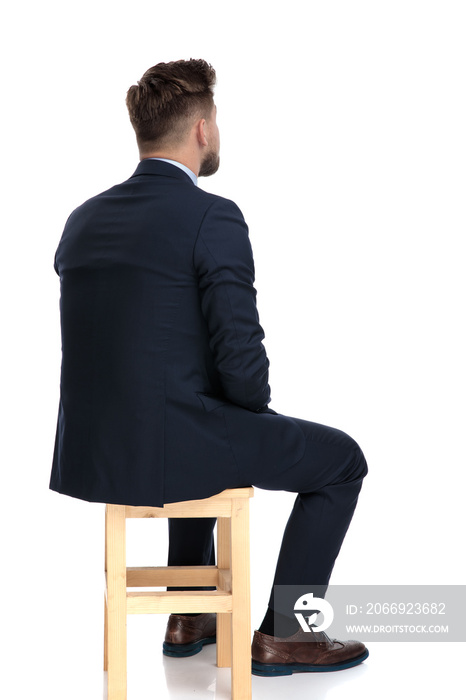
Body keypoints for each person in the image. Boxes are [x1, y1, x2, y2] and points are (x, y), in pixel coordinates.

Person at [50, 58, 369, 676]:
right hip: (176, 442)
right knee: (341, 461)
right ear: (201, 128)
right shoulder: (212, 215)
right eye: (216, 118)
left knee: (198, 416)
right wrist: (256, 416)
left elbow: (124, 345)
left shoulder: (82, 220)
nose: (217, 129)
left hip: (93, 450)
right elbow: (241, 356)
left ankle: (187, 611)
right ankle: (287, 635)